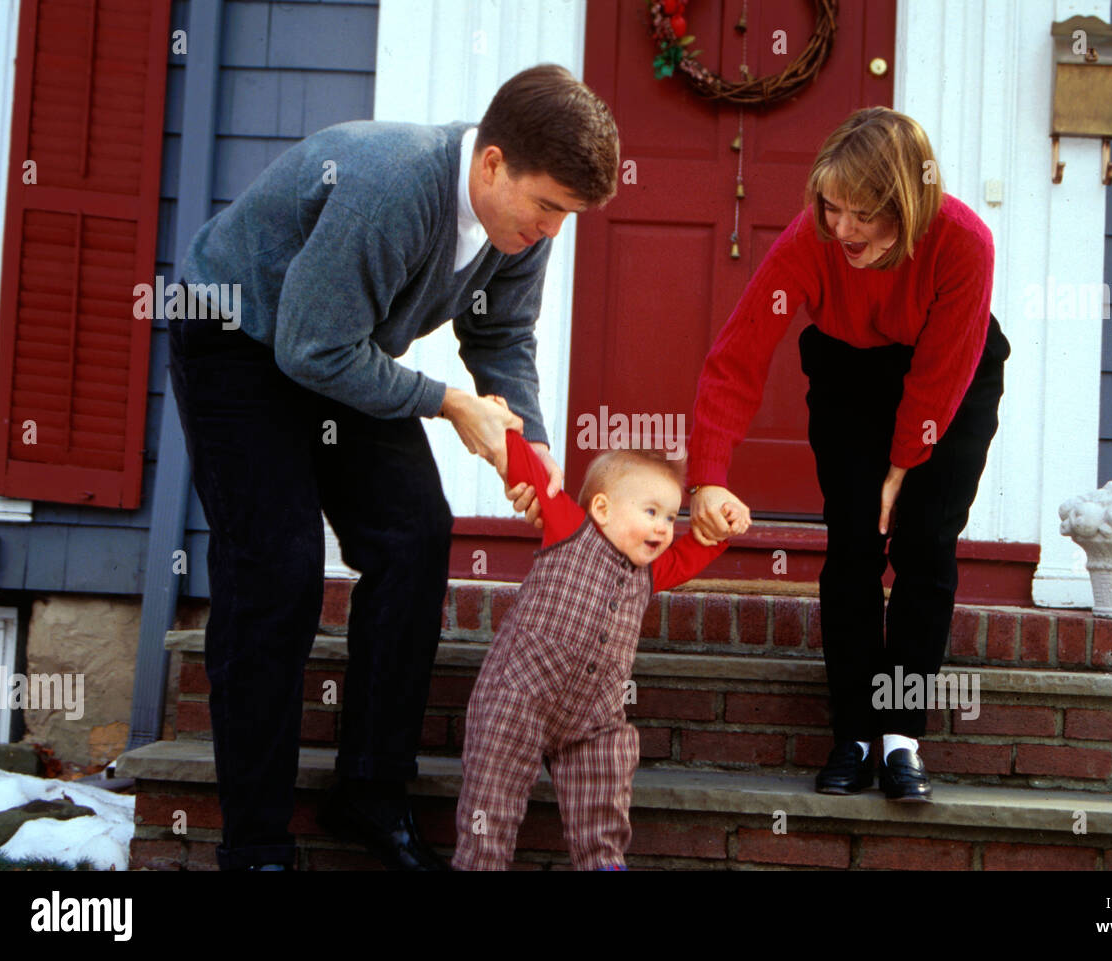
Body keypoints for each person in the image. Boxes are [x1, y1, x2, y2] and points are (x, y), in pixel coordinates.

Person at [168, 64, 619, 870]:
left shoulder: (520, 226)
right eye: (548, 206)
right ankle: (257, 842)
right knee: (278, 569)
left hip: (337, 345)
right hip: (238, 338)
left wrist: (533, 440)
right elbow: (309, 349)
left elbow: (500, 335)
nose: (553, 230)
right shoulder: (390, 186)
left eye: (569, 216)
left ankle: (370, 786)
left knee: (415, 532)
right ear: (491, 165)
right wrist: (451, 403)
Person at [686, 107, 1010, 802]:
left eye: (861, 214)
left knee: (925, 543)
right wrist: (707, 477)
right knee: (856, 540)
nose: (841, 229)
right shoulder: (811, 241)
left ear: (908, 204)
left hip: (951, 374)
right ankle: (855, 730)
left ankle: (901, 736)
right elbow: (737, 357)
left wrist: (902, 466)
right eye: (831, 208)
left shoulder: (963, 243)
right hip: (849, 372)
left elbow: (939, 377)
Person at [453, 429, 745, 869]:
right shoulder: (569, 527)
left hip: (594, 719)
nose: (663, 528)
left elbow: (689, 554)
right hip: (517, 699)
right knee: (491, 802)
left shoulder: (650, 572)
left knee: (606, 791)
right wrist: (506, 430)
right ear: (603, 509)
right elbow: (529, 471)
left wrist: (720, 526)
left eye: (669, 517)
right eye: (651, 512)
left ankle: (603, 863)